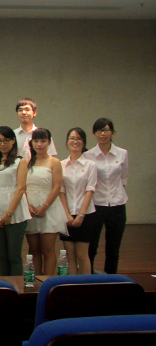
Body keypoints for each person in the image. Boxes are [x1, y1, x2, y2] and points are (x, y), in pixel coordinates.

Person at [84, 118, 128, 274]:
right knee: (92, 246)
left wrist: (116, 196)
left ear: (112, 133)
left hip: (117, 205)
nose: (102, 134)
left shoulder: (122, 153)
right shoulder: (88, 155)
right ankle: (89, 278)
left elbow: (123, 179)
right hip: (96, 204)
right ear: (94, 134)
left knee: (113, 247)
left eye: (105, 130)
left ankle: (111, 278)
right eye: (98, 131)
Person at [0, 126, 31, 276]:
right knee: (2, 255)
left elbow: (21, 188)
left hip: (15, 213)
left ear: (13, 141)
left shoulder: (20, 161)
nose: (2, 144)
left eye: (6, 140)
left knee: (14, 256)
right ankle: (5, 285)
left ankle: (17, 286)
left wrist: (9, 214)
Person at [24, 128, 68, 276]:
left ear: (49, 142)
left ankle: (47, 280)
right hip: (31, 209)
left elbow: (56, 187)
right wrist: (28, 206)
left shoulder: (55, 162)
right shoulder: (27, 162)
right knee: (34, 250)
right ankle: (36, 280)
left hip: (49, 209)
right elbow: (22, 187)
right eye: (36, 141)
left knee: (48, 250)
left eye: (43, 141)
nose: (39, 144)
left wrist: (44, 207)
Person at [58, 128, 98, 275]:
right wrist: (67, 215)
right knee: (69, 255)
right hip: (66, 215)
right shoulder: (61, 164)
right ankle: (72, 284)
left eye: (79, 138)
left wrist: (81, 215)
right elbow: (61, 191)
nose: (75, 141)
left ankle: (85, 284)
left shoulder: (90, 165)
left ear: (84, 142)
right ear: (67, 141)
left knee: (82, 254)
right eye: (72, 138)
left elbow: (90, 190)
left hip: (86, 215)